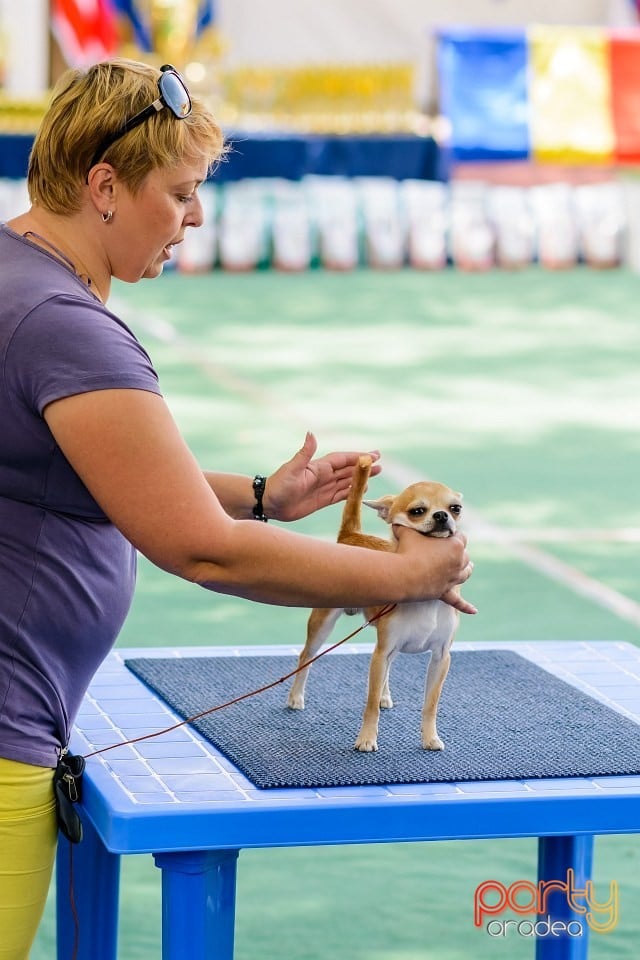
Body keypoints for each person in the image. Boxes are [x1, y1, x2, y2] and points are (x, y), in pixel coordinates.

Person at [0, 58, 475, 958]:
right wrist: (408, 569)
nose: (197, 217)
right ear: (104, 186)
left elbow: (85, 468)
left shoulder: (13, 270)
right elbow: (204, 551)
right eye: (179, 193)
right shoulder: (67, 325)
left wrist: (263, 495)